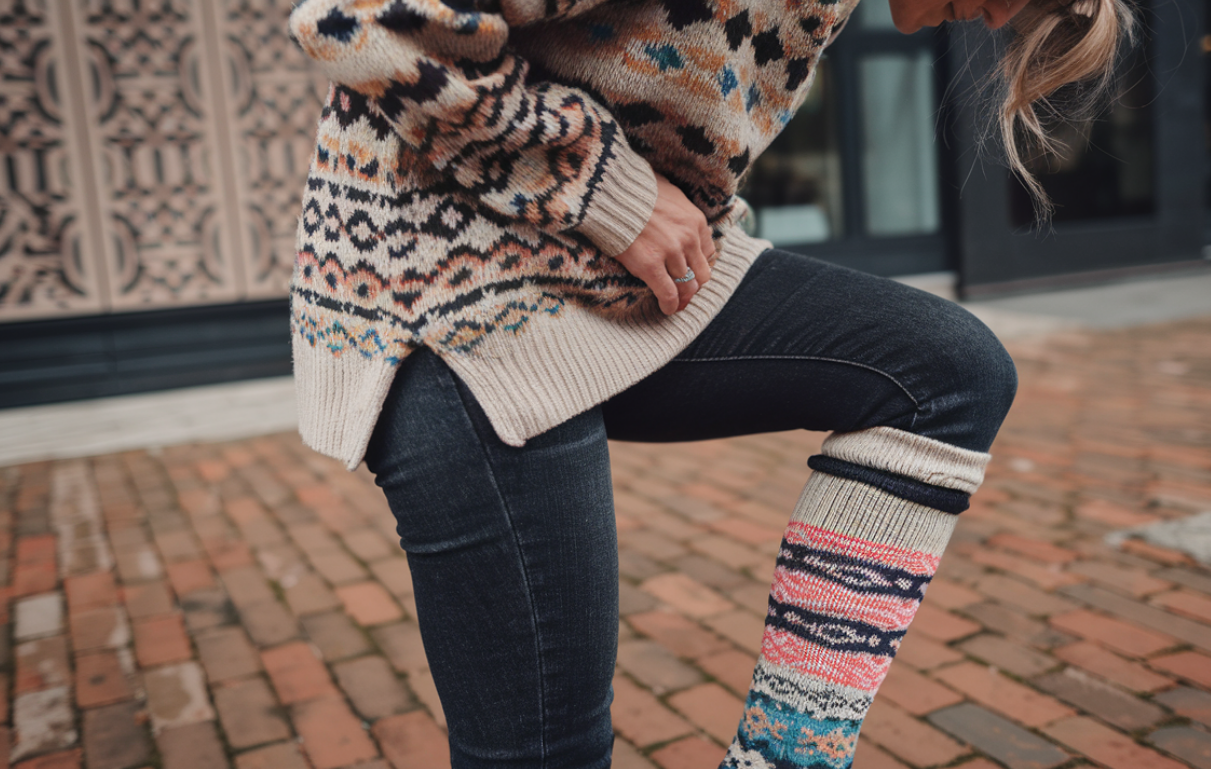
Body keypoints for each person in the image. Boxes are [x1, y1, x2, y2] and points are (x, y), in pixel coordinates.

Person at [285, 0, 1133, 766]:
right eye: (991, 1)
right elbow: (360, 18)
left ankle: (784, 757)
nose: (968, 27)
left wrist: (674, 210)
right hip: (455, 301)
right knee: (549, 753)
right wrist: (613, 191)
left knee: (950, 374)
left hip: (615, 285)